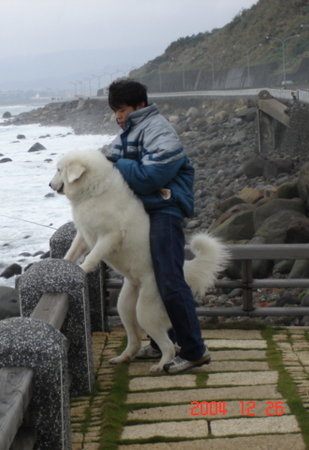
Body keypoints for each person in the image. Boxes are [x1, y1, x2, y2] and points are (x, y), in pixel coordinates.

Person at [102, 79, 210, 374]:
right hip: (143, 214)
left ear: (139, 105)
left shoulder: (158, 129)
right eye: (114, 111)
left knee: (169, 281)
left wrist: (119, 164)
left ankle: (194, 350)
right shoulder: (129, 133)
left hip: (164, 210)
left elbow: (151, 177)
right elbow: (106, 170)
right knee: (154, 281)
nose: (118, 116)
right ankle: (168, 342)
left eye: (121, 109)